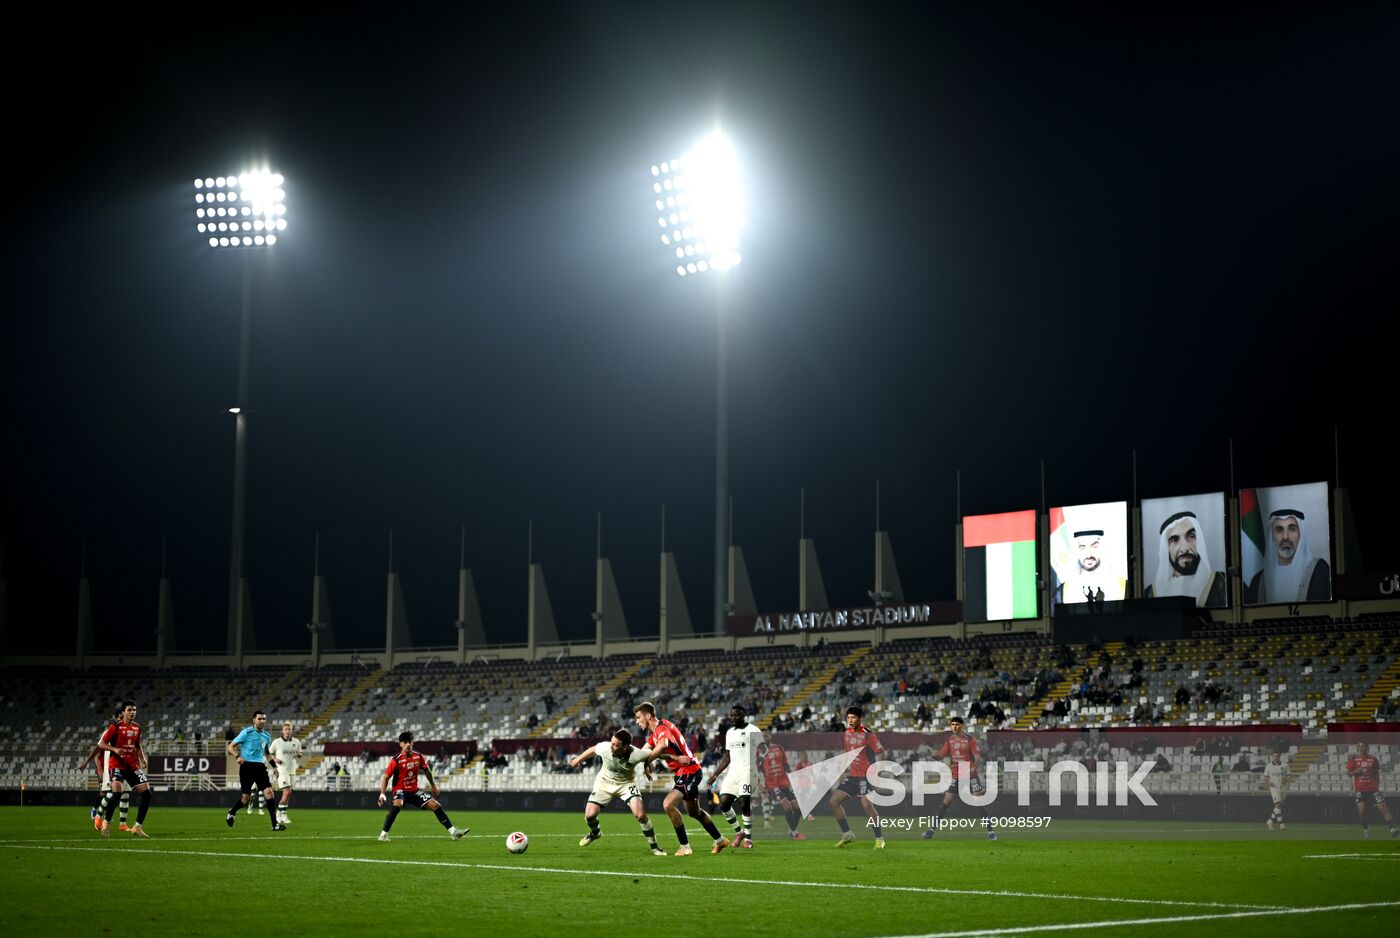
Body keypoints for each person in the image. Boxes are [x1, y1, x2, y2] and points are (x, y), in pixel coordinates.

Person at [634, 701, 730, 855]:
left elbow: (663, 746)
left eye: (638, 717)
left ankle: (685, 847)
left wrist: (647, 761)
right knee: (694, 812)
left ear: (648, 715)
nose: (637, 721)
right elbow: (643, 752)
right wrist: (641, 761)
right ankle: (720, 840)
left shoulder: (661, 728)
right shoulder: (655, 733)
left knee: (668, 804)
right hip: (684, 771)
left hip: (689, 770)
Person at [567, 727, 680, 856]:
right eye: (612, 742)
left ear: (625, 747)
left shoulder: (637, 754)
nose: (612, 746)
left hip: (626, 785)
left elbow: (657, 754)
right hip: (604, 783)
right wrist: (578, 760)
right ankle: (595, 833)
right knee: (589, 816)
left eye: (616, 745)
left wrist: (676, 758)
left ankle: (655, 847)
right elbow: (592, 750)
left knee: (641, 816)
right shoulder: (605, 747)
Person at [377, 731, 469, 842]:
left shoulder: (419, 757)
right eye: (405, 742)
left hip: (414, 791)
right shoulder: (395, 760)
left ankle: (453, 832)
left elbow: (427, 771)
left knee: (436, 805)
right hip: (400, 790)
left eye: (409, 741)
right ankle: (383, 835)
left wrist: (433, 786)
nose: (408, 744)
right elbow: (386, 777)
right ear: (400, 744)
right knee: (398, 803)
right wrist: (382, 794)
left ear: (413, 743)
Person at [923, 715, 996, 842]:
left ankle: (991, 832)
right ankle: (930, 831)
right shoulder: (949, 740)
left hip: (970, 774)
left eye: (957, 724)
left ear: (962, 726)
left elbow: (977, 757)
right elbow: (940, 755)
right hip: (956, 775)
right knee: (946, 801)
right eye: (952, 725)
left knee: (978, 802)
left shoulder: (969, 739)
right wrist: (935, 755)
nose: (954, 727)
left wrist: (974, 767)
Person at [706, 704, 764, 848]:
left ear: (744, 715)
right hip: (734, 771)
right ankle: (739, 832)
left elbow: (764, 750)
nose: (733, 717)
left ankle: (748, 838)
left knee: (744, 802)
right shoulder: (730, 732)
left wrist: (759, 767)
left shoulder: (753, 729)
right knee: (723, 803)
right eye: (732, 715)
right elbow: (727, 757)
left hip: (748, 770)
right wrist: (715, 775)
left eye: (737, 714)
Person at [1245, 508, 1331, 603]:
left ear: (1300, 534)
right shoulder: (1259, 581)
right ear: (1272, 536)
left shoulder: (1319, 571)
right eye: (1279, 529)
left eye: (1292, 529)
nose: (1285, 537)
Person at [830, 705, 886, 849]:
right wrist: (842, 770)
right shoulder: (847, 733)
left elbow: (880, 752)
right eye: (848, 717)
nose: (850, 720)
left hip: (867, 775)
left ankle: (880, 839)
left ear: (860, 718)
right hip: (853, 776)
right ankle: (847, 834)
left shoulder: (868, 734)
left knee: (867, 804)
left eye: (853, 717)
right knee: (834, 801)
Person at [95, 700, 153, 838]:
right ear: (123, 712)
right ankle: (106, 823)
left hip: (132, 766)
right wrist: (114, 748)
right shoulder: (115, 727)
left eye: (134, 710)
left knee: (147, 794)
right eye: (129, 710)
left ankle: (137, 827)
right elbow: (101, 743)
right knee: (117, 792)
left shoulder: (137, 728)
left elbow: (138, 746)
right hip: (117, 765)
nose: (133, 712)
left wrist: (143, 758)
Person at [225, 710, 286, 831]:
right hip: (246, 767)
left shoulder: (267, 736)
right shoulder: (246, 732)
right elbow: (230, 746)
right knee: (245, 799)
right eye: (260, 719)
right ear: (254, 720)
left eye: (264, 719)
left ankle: (275, 825)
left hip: (260, 767)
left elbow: (267, 754)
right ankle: (232, 812)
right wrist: (237, 756)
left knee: (269, 792)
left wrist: (274, 767)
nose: (262, 721)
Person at [80, 706, 130, 832]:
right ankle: (98, 816)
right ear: (120, 716)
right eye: (122, 716)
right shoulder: (111, 730)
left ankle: (122, 824)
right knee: (111, 793)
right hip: (111, 767)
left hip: (126, 766)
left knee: (125, 794)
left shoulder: (128, 730)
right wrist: (88, 762)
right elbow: (98, 749)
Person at [1347, 742, 1398, 839]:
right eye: (1359, 746)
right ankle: (1366, 829)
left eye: (1363, 746)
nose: (1361, 748)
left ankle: (1392, 830)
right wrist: (1356, 772)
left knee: (1384, 809)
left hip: (1373, 790)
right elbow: (1349, 773)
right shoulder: (1354, 759)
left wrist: (1377, 785)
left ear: (1367, 747)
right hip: (1360, 791)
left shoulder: (1373, 759)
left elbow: (1376, 773)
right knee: (1361, 814)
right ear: (1357, 748)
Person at [1062, 530, 1127, 604]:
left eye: (1094, 546)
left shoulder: (1123, 586)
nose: (1088, 555)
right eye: (1082, 547)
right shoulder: (1064, 590)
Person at [758, 740, 805, 840]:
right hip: (772, 785)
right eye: (763, 734)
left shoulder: (779, 747)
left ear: (770, 736)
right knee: (787, 806)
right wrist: (760, 785)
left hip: (784, 783)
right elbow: (753, 770)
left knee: (797, 808)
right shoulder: (759, 752)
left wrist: (793, 775)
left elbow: (785, 764)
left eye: (767, 734)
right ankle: (794, 833)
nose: (765, 735)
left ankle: (791, 830)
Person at [267, 721, 304, 826]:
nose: (288, 731)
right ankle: (279, 813)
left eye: (289, 729)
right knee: (287, 792)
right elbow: (268, 754)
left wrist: (299, 754)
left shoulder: (296, 742)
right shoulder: (277, 742)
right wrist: (275, 760)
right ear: (282, 731)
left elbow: (300, 753)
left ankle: (283, 814)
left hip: (292, 770)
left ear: (291, 731)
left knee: (288, 793)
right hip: (281, 770)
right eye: (286, 729)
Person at [1263, 751, 1292, 830]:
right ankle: (1281, 824)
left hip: (1283, 788)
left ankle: (1270, 820)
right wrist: (1269, 782)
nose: (1276, 757)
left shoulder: (1285, 765)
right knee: (1278, 804)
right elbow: (1265, 777)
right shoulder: (1268, 766)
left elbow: (1290, 776)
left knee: (1277, 806)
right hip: (1274, 788)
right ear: (1272, 757)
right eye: (1274, 756)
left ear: (1279, 757)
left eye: (1277, 756)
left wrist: (1286, 779)